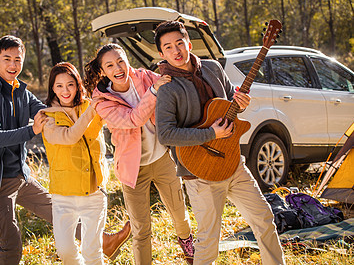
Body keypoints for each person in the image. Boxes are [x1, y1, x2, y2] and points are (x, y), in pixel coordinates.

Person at [0, 35, 129, 265]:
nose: (13, 65)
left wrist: (78, 101)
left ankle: (103, 242)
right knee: (11, 241)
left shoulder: (21, 93)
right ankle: (103, 243)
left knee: (57, 212)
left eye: (17, 59)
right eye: (7, 59)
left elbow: (53, 109)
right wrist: (32, 130)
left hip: (21, 175)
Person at [153, 21, 286, 265]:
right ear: (161, 54)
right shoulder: (167, 88)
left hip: (234, 164)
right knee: (208, 241)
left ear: (189, 44)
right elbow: (165, 134)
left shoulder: (213, 68)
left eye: (179, 43)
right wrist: (210, 135)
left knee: (265, 219)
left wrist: (241, 101)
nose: (176, 51)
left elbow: (229, 101)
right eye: (168, 47)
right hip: (200, 173)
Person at [84, 43, 194, 265]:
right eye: (110, 65)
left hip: (162, 159)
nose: (118, 68)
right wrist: (154, 92)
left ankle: (191, 253)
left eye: (121, 60)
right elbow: (133, 119)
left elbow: (172, 84)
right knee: (141, 228)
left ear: (127, 60)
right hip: (132, 170)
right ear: (102, 71)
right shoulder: (102, 101)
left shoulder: (145, 77)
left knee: (180, 216)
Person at [42, 62, 127, 264]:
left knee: (92, 251)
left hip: (94, 190)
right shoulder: (47, 118)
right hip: (63, 195)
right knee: (66, 252)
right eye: (59, 86)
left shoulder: (91, 106)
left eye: (70, 84)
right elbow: (69, 137)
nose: (65, 91)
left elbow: (119, 114)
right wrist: (92, 110)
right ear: (52, 88)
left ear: (78, 85)